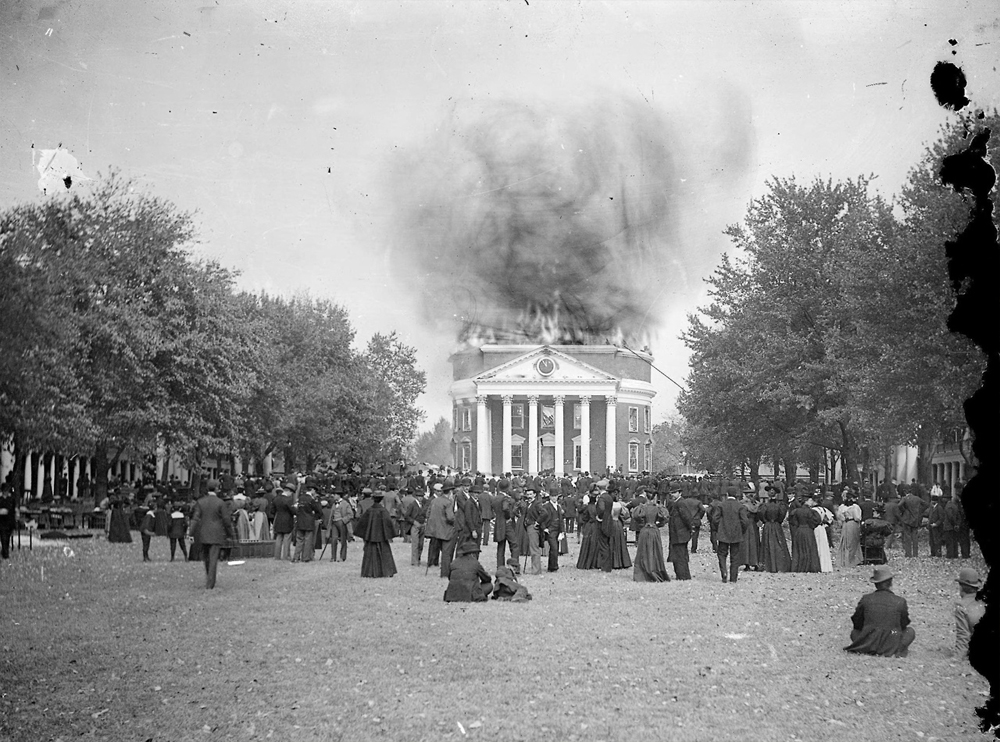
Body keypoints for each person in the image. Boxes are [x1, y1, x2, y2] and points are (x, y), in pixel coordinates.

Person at [844, 565, 916, 657]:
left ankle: (867, 647)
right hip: (892, 641)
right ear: (890, 583)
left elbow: (857, 623)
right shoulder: (900, 601)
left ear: (875, 584)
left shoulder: (866, 599)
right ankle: (895, 650)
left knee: (854, 633)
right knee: (910, 632)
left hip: (868, 642)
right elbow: (903, 625)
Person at [188, 479, 236, 590]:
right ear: (216, 489)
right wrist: (230, 534)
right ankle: (210, 583)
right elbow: (226, 520)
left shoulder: (200, 502)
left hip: (203, 533)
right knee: (213, 558)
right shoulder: (220, 502)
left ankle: (208, 579)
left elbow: (195, 518)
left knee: (206, 558)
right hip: (216, 533)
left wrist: (190, 533)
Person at [354, 491, 397, 578]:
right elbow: (389, 523)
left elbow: (362, 523)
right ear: (381, 499)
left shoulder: (369, 511)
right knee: (384, 552)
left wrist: (366, 533)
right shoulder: (384, 511)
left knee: (370, 553)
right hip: (382, 536)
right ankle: (386, 571)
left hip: (371, 537)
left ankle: (369, 572)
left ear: (373, 499)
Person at [712, 486, 748, 583]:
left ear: (727, 494)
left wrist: (717, 529)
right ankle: (733, 578)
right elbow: (745, 521)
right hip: (736, 533)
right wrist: (742, 531)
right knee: (735, 556)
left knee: (722, 554)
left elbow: (715, 519)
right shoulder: (740, 506)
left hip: (723, 533)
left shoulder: (721, 505)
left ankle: (724, 572)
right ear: (736, 495)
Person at [633, 495, 670, 582]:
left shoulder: (642, 508)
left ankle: (642, 572)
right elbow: (665, 518)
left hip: (644, 531)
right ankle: (655, 569)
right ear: (655, 498)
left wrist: (642, 524)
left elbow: (636, 517)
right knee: (655, 551)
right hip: (654, 531)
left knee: (643, 551)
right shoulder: (659, 508)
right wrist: (658, 525)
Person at [425, 483, 457, 577]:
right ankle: (445, 573)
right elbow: (450, 518)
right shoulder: (448, 502)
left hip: (434, 530)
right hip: (445, 531)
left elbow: (428, 514)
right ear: (450, 492)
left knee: (434, 550)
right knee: (446, 553)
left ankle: (431, 565)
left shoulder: (434, 500)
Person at [954, 567, 985, 659]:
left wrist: (957, 658)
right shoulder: (984, 601)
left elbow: (963, 634)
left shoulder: (961, 606)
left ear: (961, 587)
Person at [665, 489, 694, 580]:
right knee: (679, 555)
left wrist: (690, 528)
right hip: (678, 533)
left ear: (680, 493)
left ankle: (682, 575)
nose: (672, 495)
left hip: (680, 533)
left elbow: (686, 517)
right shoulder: (676, 503)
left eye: (674, 492)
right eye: (671, 493)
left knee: (680, 555)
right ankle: (682, 575)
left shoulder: (681, 503)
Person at [759, 491, 791, 573]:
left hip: (768, 526)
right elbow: (781, 516)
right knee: (779, 544)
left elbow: (762, 515)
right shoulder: (780, 506)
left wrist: (766, 521)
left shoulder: (764, 505)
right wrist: (777, 522)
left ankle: (767, 565)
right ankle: (780, 565)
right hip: (776, 526)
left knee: (767, 544)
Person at [492, 480, 521, 570]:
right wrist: (509, 516)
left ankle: (500, 567)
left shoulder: (495, 498)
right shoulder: (505, 498)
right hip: (506, 523)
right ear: (507, 488)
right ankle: (514, 567)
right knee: (514, 545)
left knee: (501, 546)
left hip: (498, 523)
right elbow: (505, 508)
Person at [292, 483, 324, 563]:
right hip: (309, 522)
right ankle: (305, 558)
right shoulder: (311, 499)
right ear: (312, 490)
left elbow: (296, 508)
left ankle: (296, 557)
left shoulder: (300, 498)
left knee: (299, 540)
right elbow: (318, 510)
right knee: (307, 541)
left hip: (300, 521)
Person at [788, 496, 821, 572]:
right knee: (809, 548)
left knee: (799, 549)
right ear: (806, 501)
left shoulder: (796, 511)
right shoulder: (811, 511)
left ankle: (798, 567)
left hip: (799, 530)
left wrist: (798, 526)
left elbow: (792, 521)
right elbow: (817, 521)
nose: (811, 501)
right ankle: (811, 567)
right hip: (808, 530)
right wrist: (811, 526)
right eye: (810, 500)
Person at [537, 489, 564, 572]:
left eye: (555, 496)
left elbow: (561, 520)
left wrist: (562, 531)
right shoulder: (546, 506)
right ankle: (553, 566)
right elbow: (542, 518)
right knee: (554, 548)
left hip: (557, 530)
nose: (554, 498)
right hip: (550, 530)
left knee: (555, 549)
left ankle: (553, 566)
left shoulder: (558, 507)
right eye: (552, 496)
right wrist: (544, 528)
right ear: (550, 497)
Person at [269, 480, 296, 561]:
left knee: (278, 538)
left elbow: (272, 511)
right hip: (287, 521)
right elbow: (293, 511)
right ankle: (286, 556)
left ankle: (277, 556)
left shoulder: (276, 499)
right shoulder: (288, 500)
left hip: (278, 520)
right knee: (287, 539)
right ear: (289, 491)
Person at [836, 492, 863, 569]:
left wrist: (844, 519)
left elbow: (839, 516)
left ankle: (845, 560)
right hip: (853, 523)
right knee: (853, 542)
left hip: (845, 524)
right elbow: (858, 517)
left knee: (845, 541)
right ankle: (852, 560)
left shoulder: (842, 507)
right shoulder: (855, 507)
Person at [898, 487, 925, 558]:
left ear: (905, 492)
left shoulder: (904, 498)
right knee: (915, 537)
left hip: (907, 519)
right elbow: (925, 504)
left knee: (907, 537)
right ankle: (915, 554)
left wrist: (904, 511)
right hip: (915, 519)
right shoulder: (917, 498)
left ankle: (908, 554)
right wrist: (919, 512)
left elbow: (899, 505)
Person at [0, 483, 18, 559]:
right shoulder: (1, 500)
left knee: (7, 538)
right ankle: (5, 554)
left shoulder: (11, 500)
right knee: (4, 537)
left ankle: (5, 551)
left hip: (9, 521)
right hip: (1, 522)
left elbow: (14, 510)